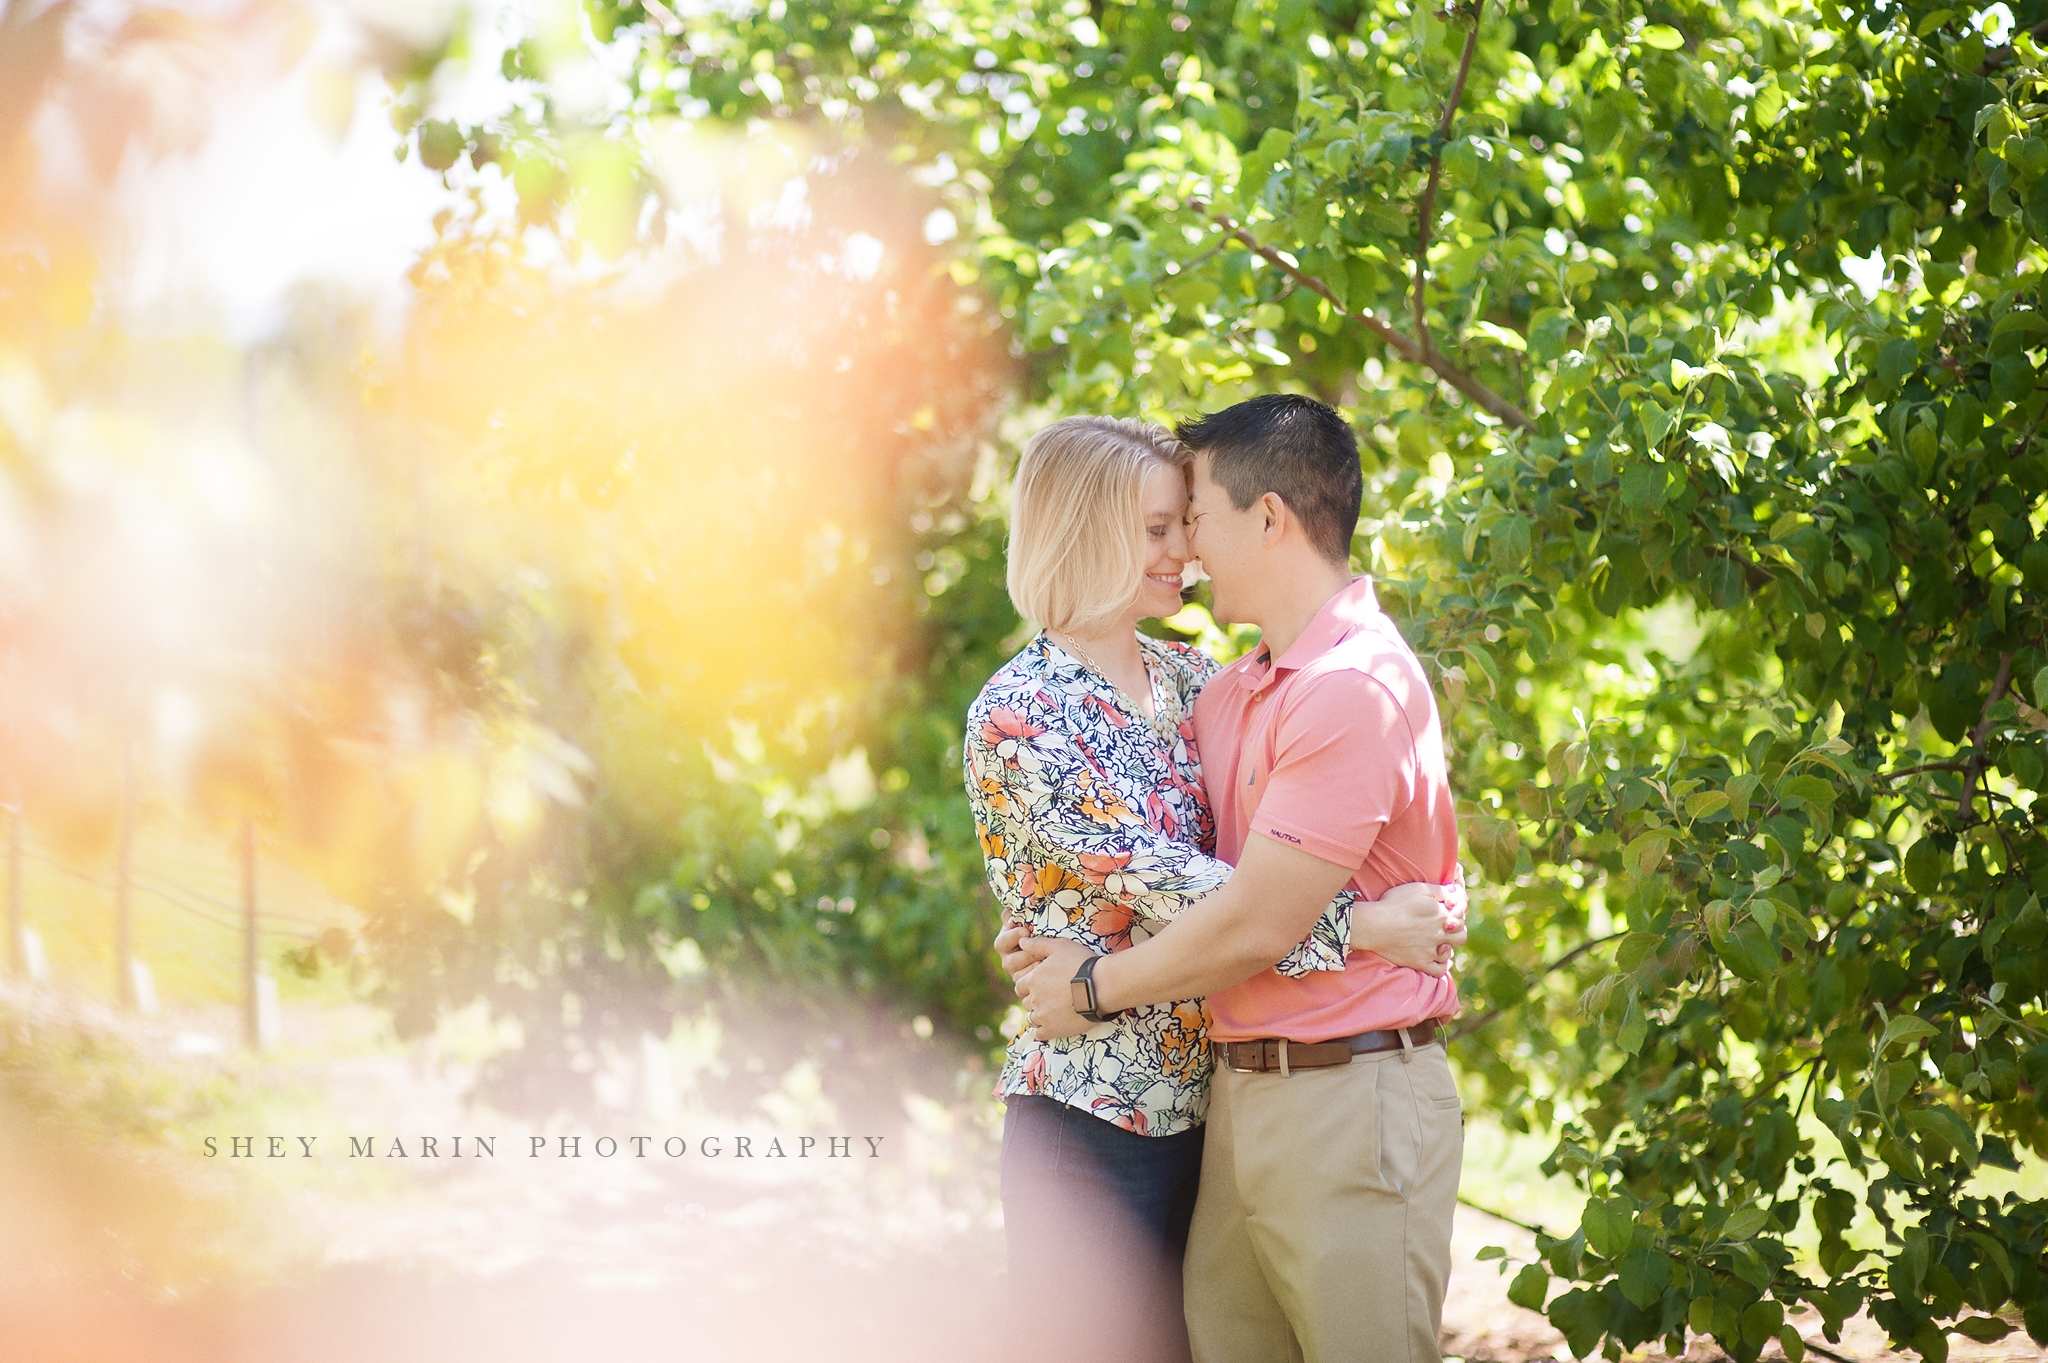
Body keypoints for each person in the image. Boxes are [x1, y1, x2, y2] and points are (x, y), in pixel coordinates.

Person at [966, 414, 1462, 1363]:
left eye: (1185, 522)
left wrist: (1414, 891)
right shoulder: (1020, 715)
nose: (1185, 550)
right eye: (1159, 529)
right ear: (1088, 530)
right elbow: (1175, 883)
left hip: (1218, 1097)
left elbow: (1271, 862)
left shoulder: (1199, 679)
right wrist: (1362, 927)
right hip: (1098, 1105)